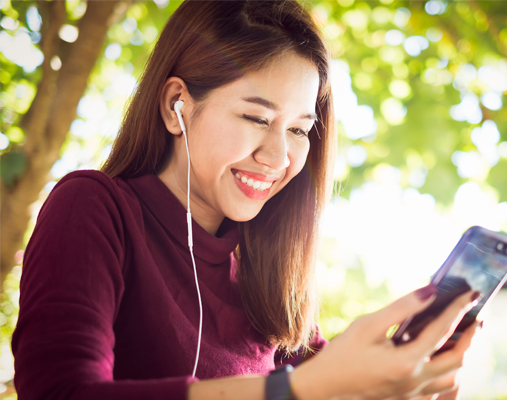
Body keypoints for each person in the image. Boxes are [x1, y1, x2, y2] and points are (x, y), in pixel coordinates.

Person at [11, 1, 481, 399]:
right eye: (256, 118)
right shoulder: (94, 206)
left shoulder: (264, 279)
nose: (278, 156)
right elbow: (60, 391)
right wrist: (291, 390)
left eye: (298, 129)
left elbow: (332, 382)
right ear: (178, 104)